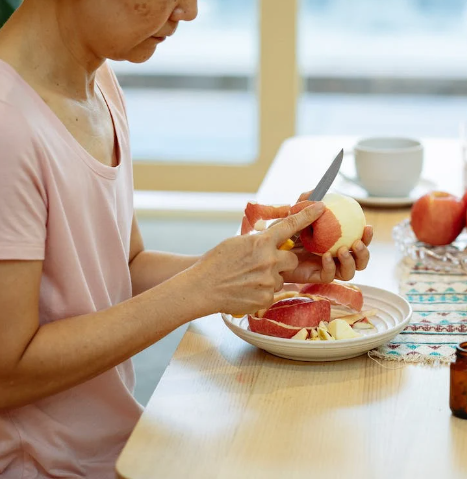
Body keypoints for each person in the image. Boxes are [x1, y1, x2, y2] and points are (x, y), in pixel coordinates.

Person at [0, 1, 373, 477]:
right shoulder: (8, 125)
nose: (190, 11)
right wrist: (199, 290)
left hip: (118, 446)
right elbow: (6, 374)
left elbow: (125, 265)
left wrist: (257, 268)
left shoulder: (98, 83)